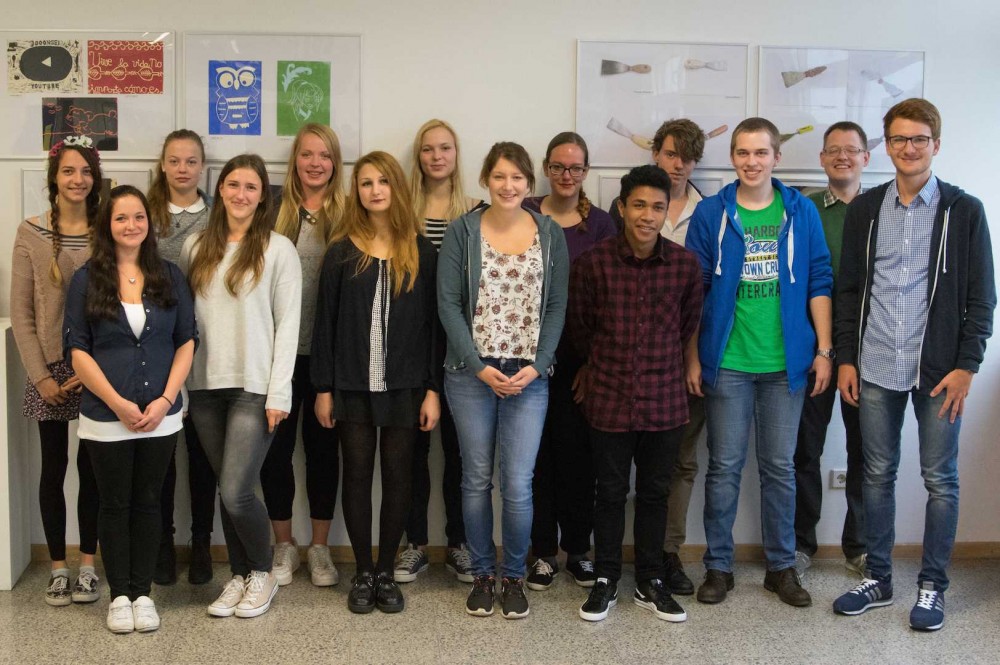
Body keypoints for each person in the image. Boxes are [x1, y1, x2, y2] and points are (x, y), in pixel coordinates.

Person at [833, 99, 995, 631]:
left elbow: (982, 298)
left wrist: (968, 366)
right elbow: (849, 290)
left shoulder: (963, 210)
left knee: (939, 479)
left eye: (919, 139)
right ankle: (878, 578)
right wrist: (847, 359)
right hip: (876, 363)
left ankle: (932, 587)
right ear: (887, 146)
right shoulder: (866, 209)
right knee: (876, 474)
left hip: (940, 373)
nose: (909, 148)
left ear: (936, 145)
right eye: (899, 139)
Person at [686, 117, 833, 608]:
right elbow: (695, 288)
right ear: (733, 157)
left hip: (785, 365)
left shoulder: (800, 211)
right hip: (727, 362)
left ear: (776, 157)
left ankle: (781, 567)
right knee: (724, 467)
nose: (752, 162)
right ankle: (718, 567)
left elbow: (818, 280)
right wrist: (693, 355)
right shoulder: (711, 212)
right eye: (743, 153)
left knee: (779, 469)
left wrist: (824, 350)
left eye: (761, 153)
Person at [438, 142, 569, 619]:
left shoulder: (550, 234)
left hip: (528, 377)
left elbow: (556, 305)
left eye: (517, 177)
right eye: (499, 176)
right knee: (475, 479)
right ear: (485, 180)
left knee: (517, 484)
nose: (508, 185)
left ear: (529, 183)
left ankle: (513, 576)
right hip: (471, 375)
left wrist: (540, 363)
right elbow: (448, 304)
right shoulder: (462, 231)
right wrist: (477, 365)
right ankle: (481, 575)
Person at [570, 165, 702, 623]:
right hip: (608, 396)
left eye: (658, 207)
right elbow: (581, 328)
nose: (648, 215)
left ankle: (650, 580)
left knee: (654, 493)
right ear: (622, 208)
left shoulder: (684, 266)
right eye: (639, 205)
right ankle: (606, 578)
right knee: (608, 492)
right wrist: (598, 364)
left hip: (664, 399)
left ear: (666, 213)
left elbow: (687, 326)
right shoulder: (593, 263)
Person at [311, 151, 441, 614]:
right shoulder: (341, 252)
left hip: (406, 386)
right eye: (366, 183)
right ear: (357, 192)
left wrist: (433, 390)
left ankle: (387, 570)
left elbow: (434, 327)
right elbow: (324, 325)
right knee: (357, 473)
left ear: (397, 188)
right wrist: (323, 388)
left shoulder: (422, 251)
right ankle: (363, 571)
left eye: (383, 181)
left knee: (399, 475)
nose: (375, 190)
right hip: (352, 384)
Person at [64, 185, 197, 633]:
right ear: (107, 224)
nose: (131, 225)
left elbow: (186, 340)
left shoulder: (169, 275)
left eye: (138, 216)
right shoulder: (86, 279)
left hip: (161, 416)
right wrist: (118, 403)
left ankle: (143, 594)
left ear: (149, 223)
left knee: (149, 502)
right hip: (106, 417)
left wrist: (165, 400)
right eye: (121, 217)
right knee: (114, 504)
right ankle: (119, 595)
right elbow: (77, 350)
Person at [180, 154, 302, 619]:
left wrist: (279, 393)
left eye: (251, 187)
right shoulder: (195, 247)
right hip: (204, 386)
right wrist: (181, 388)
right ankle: (238, 575)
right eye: (233, 185)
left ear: (263, 196)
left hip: (255, 387)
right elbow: (184, 324)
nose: (241, 194)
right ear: (220, 190)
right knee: (226, 489)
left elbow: (288, 327)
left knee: (237, 491)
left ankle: (262, 572)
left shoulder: (278, 250)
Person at [10, 136, 102, 607]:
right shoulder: (30, 233)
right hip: (47, 368)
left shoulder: (108, 231)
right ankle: (58, 568)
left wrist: (95, 371)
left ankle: (88, 565)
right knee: (53, 467)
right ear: (54, 177)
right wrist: (42, 377)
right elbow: (22, 313)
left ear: (96, 178)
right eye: (68, 170)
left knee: (93, 468)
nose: (77, 179)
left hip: (97, 369)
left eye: (85, 171)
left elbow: (116, 305)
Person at [521, 131, 615, 591]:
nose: (566, 175)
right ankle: (542, 554)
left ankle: (578, 551)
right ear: (546, 168)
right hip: (528, 359)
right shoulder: (524, 213)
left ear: (586, 172)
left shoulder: (601, 225)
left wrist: (593, 365)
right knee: (537, 461)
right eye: (558, 167)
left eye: (576, 168)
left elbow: (610, 299)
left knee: (580, 462)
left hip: (581, 363)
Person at [394, 119, 481, 585]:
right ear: (419, 156)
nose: (436, 157)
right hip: (410, 343)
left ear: (456, 154)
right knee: (412, 450)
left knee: (459, 451)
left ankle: (459, 544)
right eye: (428, 149)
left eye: (445, 148)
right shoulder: (401, 210)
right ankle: (414, 544)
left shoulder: (475, 211)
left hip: (462, 345)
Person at [261, 123, 345, 589]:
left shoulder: (349, 213)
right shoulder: (272, 210)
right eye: (307, 154)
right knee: (275, 453)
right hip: (278, 357)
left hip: (328, 357)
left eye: (324, 155)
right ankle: (284, 545)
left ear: (335, 163)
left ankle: (319, 548)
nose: (315, 163)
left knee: (322, 453)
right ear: (295, 160)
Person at [793, 122, 870, 581]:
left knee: (866, 453)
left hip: (867, 349)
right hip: (814, 348)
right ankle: (801, 544)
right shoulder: (804, 209)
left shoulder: (881, 208)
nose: (843, 157)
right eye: (834, 150)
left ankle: (858, 547)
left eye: (852, 150)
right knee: (805, 450)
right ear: (822, 158)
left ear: (865, 157)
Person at [147, 129, 217, 586]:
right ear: (163, 165)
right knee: (162, 453)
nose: (182, 169)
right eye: (174, 160)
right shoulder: (147, 214)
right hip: (157, 347)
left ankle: (202, 543)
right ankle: (163, 544)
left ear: (202, 167)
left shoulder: (217, 216)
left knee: (203, 452)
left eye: (191, 161)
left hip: (206, 345)